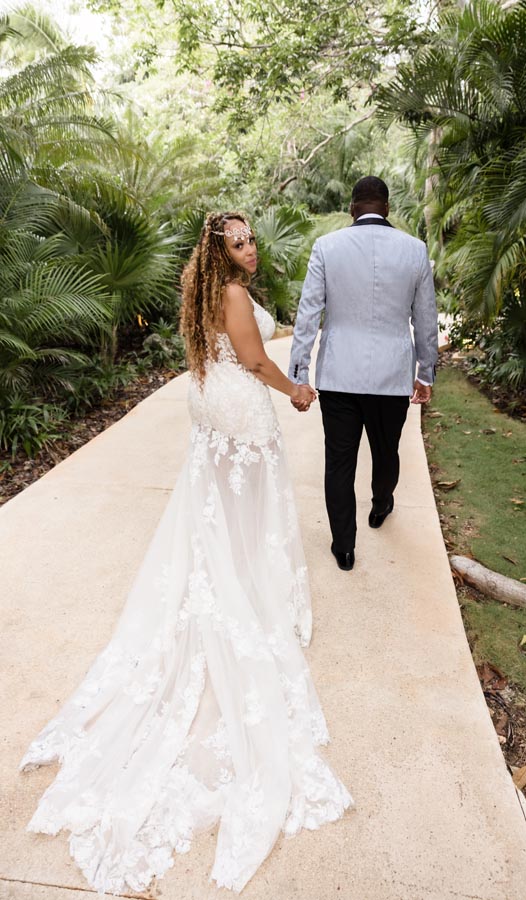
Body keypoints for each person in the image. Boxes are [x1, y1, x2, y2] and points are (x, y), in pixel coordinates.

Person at [19, 212, 352, 894]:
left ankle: (229, 579)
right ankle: (244, 594)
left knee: (220, 515)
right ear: (221, 252)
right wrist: (295, 389)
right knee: (246, 512)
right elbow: (254, 359)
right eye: (240, 242)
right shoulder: (231, 293)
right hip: (238, 410)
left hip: (211, 407)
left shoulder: (201, 286)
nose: (251, 248)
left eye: (251, 238)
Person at [288, 176, 438, 571]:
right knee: (387, 452)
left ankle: (344, 547)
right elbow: (426, 319)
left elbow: (308, 315)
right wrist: (425, 373)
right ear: (386, 208)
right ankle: (382, 503)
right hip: (392, 376)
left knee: (339, 463)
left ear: (352, 208)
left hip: (339, 376)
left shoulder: (327, 247)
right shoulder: (415, 250)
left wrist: (299, 373)